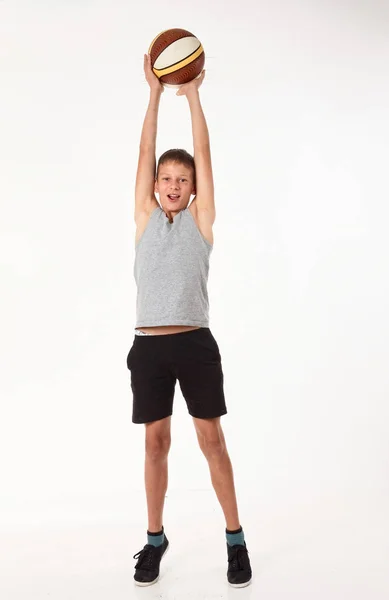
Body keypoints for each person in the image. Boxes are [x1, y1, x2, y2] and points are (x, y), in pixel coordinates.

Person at [126, 53, 252, 588]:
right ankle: (155, 540)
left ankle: (235, 539)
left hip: (196, 343)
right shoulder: (144, 217)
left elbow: (202, 151)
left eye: (182, 179)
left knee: (212, 442)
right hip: (149, 348)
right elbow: (144, 151)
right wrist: (154, 95)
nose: (173, 184)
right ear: (156, 185)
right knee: (156, 443)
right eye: (166, 178)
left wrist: (192, 94)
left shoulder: (202, 220)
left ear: (194, 189)